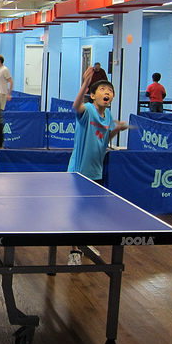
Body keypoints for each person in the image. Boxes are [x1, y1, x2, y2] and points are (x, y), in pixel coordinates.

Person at [67, 66, 129, 265]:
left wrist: (116, 130)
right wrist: (85, 83)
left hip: (96, 171)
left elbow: (104, 140)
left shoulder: (108, 117)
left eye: (110, 91)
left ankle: (87, 242)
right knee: (76, 212)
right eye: (103, 89)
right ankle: (74, 250)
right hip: (79, 172)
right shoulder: (89, 110)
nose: (107, 92)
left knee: (91, 211)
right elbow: (76, 106)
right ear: (92, 95)